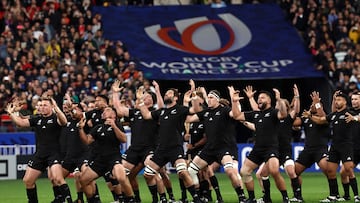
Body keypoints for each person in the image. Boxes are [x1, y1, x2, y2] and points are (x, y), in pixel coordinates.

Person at [137, 87, 202, 203]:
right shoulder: (161, 111)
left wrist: (194, 97)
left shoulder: (180, 109)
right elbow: (146, 115)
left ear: (176, 98)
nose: (167, 95)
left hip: (175, 148)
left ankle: (196, 199)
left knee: (183, 172)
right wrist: (140, 101)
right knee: (147, 175)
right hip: (161, 149)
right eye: (166, 94)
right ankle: (156, 199)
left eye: (170, 93)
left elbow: (196, 109)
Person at [5, 96, 73, 203]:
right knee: (28, 180)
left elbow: (64, 122)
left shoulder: (56, 117)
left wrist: (57, 108)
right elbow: (21, 123)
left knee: (57, 179)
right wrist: (11, 113)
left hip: (54, 153)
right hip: (40, 154)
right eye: (40, 105)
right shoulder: (37, 118)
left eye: (45, 105)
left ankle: (68, 201)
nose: (42, 107)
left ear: (51, 107)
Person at [230, 86, 291, 203]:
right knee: (244, 171)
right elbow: (237, 116)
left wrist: (279, 100)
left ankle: (285, 198)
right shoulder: (255, 114)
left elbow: (283, 114)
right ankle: (252, 198)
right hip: (258, 149)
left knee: (274, 171)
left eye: (262, 98)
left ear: (269, 100)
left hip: (271, 148)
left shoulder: (273, 113)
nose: (259, 100)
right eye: (258, 98)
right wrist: (234, 101)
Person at [112, 79, 169, 203]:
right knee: (120, 174)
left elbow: (161, 107)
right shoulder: (135, 112)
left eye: (148, 96)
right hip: (134, 149)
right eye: (144, 96)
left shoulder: (154, 113)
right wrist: (115, 93)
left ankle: (161, 198)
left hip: (150, 149)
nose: (145, 97)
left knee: (151, 173)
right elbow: (119, 110)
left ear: (152, 100)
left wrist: (158, 91)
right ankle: (133, 198)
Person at [185, 87, 246, 203]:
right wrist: (185, 102)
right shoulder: (206, 112)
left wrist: (234, 101)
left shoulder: (224, 110)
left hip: (224, 148)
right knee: (190, 171)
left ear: (217, 99)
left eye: (211, 97)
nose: (209, 99)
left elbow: (236, 114)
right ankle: (197, 197)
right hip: (209, 149)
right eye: (208, 97)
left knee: (230, 171)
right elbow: (189, 119)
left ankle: (241, 197)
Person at [242, 85, 300, 203]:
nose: (278, 106)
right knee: (261, 174)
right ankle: (266, 197)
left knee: (290, 171)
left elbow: (296, 111)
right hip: (272, 149)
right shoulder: (270, 116)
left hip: (284, 150)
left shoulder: (286, 117)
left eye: (280, 104)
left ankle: (296, 196)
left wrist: (296, 97)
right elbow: (257, 113)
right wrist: (250, 100)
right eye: (277, 104)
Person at [308, 91, 358, 202]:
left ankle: (356, 196)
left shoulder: (349, 113)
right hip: (334, 146)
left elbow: (357, 116)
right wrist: (310, 116)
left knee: (349, 170)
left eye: (339, 100)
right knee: (330, 171)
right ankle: (333, 195)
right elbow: (321, 120)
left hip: (346, 146)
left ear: (345, 102)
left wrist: (354, 118)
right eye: (336, 100)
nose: (337, 102)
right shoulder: (334, 115)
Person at [77, 106, 135, 203]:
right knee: (83, 180)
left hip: (113, 158)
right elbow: (87, 141)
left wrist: (114, 126)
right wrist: (80, 129)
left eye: (107, 110)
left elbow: (124, 139)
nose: (104, 112)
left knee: (121, 177)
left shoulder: (117, 124)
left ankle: (130, 199)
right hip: (100, 160)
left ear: (113, 115)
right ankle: (92, 200)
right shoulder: (98, 127)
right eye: (103, 111)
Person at [292, 91, 330, 202]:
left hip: (321, 149)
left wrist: (317, 103)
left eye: (313, 105)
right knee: (294, 172)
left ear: (320, 107)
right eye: (311, 104)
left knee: (329, 171)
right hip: (307, 150)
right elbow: (294, 122)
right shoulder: (306, 118)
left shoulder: (325, 118)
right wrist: (294, 103)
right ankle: (298, 196)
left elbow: (322, 118)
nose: (311, 106)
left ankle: (334, 194)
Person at [339, 92, 360, 202]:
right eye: (352, 99)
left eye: (356, 99)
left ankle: (356, 196)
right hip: (354, 148)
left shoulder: (354, 115)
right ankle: (347, 195)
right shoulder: (348, 112)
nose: (354, 101)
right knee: (343, 172)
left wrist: (355, 118)